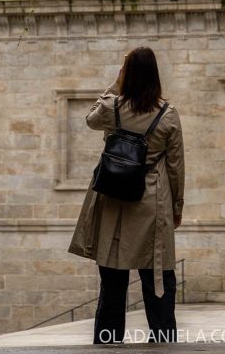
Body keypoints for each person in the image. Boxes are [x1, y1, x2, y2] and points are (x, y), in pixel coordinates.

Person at [69, 46, 185, 344]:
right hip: (152, 202)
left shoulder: (113, 108)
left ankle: (108, 343)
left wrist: (115, 85)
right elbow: (175, 167)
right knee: (157, 278)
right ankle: (163, 342)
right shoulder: (168, 115)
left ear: (128, 75)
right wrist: (177, 206)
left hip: (115, 201)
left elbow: (90, 119)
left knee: (113, 282)